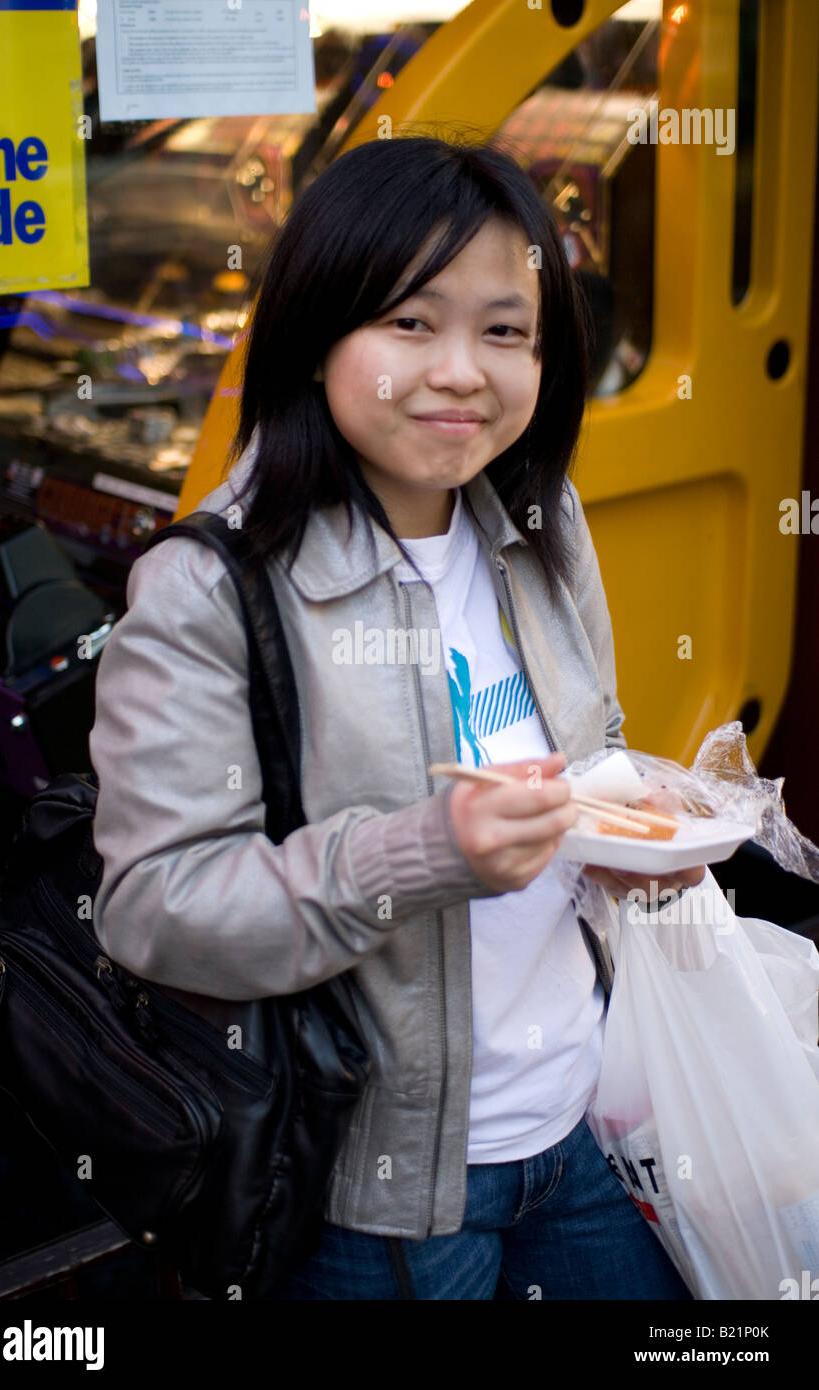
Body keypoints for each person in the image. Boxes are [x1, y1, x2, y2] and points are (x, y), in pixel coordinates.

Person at [89, 134, 704, 1300]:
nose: (462, 371)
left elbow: (593, 741)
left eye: (504, 329)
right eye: (410, 323)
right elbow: (151, 910)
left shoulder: (538, 522)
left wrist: (628, 831)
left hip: (576, 1128)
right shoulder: (211, 586)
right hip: (380, 1195)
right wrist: (424, 853)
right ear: (318, 331)